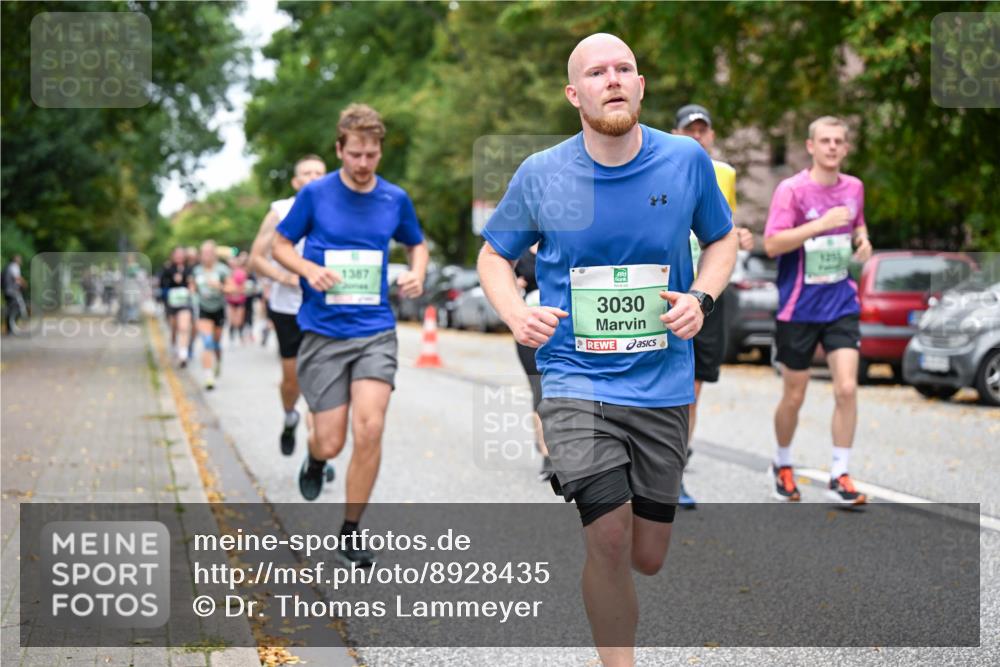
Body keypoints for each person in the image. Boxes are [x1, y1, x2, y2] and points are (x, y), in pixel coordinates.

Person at [477, 34, 736, 667]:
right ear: (575, 94)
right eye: (597, 72)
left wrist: (700, 298)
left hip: (663, 384)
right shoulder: (544, 173)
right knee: (610, 537)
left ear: (641, 86)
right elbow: (493, 255)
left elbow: (722, 241)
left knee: (647, 555)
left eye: (624, 69)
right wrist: (515, 311)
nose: (612, 79)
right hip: (573, 378)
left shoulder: (685, 162)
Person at [273, 105, 428, 567]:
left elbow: (415, 242)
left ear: (380, 152)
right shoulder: (316, 195)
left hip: (374, 330)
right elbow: (280, 245)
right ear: (339, 149)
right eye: (355, 154)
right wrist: (307, 269)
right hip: (322, 332)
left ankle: (351, 529)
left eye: (372, 155)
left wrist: (417, 273)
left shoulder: (394, 199)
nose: (363, 164)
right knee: (331, 440)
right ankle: (316, 459)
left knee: (371, 425)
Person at [763, 115, 872, 505]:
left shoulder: (854, 188)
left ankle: (840, 473)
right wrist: (820, 224)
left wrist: (863, 242)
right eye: (824, 140)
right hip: (798, 308)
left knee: (846, 387)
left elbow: (858, 227)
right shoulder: (791, 191)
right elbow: (773, 245)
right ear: (810, 146)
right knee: (795, 394)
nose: (831, 147)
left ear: (845, 147)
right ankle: (782, 462)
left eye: (838, 141)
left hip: (840, 302)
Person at [671, 104, 755, 509]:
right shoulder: (662, 166)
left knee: (693, 390)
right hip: (670, 290)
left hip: (709, 295)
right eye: (690, 130)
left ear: (712, 136)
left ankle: (676, 473)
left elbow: (723, 228)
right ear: (676, 133)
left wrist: (741, 236)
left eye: (703, 131)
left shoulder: (724, 173)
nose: (697, 137)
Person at [248, 154, 327, 456]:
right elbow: (256, 258)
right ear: (296, 182)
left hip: (324, 308)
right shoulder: (281, 211)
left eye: (319, 173)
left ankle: (318, 447)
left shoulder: (338, 210)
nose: (313, 178)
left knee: (320, 380)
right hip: (288, 309)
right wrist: (285, 277)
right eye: (306, 173)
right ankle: (289, 416)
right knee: (292, 380)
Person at [513, 243, 553, 481]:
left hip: (560, 330)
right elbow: (502, 285)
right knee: (540, 390)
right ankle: (548, 455)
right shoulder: (520, 255)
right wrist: (515, 288)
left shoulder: (563, 245)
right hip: (530, 333)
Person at [190, 240, 234, 390]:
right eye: (203, 253)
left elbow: (232, 288)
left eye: (209, 253)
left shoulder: (222, 270)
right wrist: (191, 293)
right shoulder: (196, 271)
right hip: (203, 309)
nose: (206, 256)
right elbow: (192, 287)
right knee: (207, 342)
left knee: (216, 343)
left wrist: (220, 286)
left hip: (219, 309)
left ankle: (218, 360)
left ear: (214, 254)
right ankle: (208, 376)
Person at [159, 247, 194, 366]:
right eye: (177, 254)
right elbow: (162, 283)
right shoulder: (168, 268)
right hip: (171, 303)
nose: (179, 257)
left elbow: (192, 283)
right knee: (174, 327)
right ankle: (174, 344)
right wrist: (172, 280)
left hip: (184, 302)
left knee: (184, 327)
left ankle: (183, 354)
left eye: (181, 254)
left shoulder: (189, 269)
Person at [2, 254, 27, 335]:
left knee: (11, 309)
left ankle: (10, 329)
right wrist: (24, 283)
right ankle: (10, 329)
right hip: (11, 291)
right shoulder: (14, 266)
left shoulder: (9, 266)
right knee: (13, 309)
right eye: (19, 259)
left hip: (7, 291)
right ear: (16, 260)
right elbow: (17, 278)